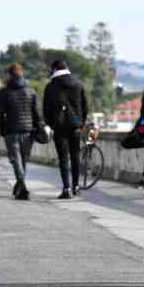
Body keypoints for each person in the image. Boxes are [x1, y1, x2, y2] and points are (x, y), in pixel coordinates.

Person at [0, 63, 41, 200]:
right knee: (23, 161)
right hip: (28, 131)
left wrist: (3, 130)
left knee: (16, 161)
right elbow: (36, 113)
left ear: (9, 75)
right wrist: (39, 127)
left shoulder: (4, 92)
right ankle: (19, 187)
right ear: (22, 74)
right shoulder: (31, 91)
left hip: (11, 132)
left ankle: (23, 187)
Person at [43, 59, 88, 199]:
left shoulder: (50, 87)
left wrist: (51, 124)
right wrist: (81, 123)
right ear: (67, 68)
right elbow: (85, 107)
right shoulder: (78, 85)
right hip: (76, 126)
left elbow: (46, 110)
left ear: (55, 70)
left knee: (63, 159)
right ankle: (76, 186)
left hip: (60, 127)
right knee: (75, 156)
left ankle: (66, 189)